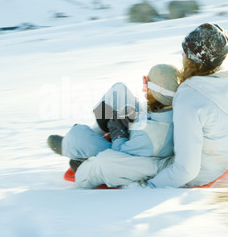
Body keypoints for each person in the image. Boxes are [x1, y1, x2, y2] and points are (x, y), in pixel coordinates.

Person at [73, 23, 228, 189]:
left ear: (197, 59)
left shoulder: (191, 100)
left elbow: (186, 169)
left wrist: (149, 188)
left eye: (185, 52)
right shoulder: (222, 83)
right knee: (118, 92)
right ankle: (96, 135)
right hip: (212, 157)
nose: (182, 56)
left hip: (188, 169)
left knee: (107, 161)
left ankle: (86, 163)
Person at [47, 64, 180, 171]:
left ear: (158, 91)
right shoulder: (168, 105)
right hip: (144, 128)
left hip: (129, 152)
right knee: (118, 91)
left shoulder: (150, 136)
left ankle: (82, 153)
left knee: (79, 136)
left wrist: (118, 131)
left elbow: (119, 156)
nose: (144, 89)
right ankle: (95, 134)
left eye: (146, 84)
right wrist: (135, 116)